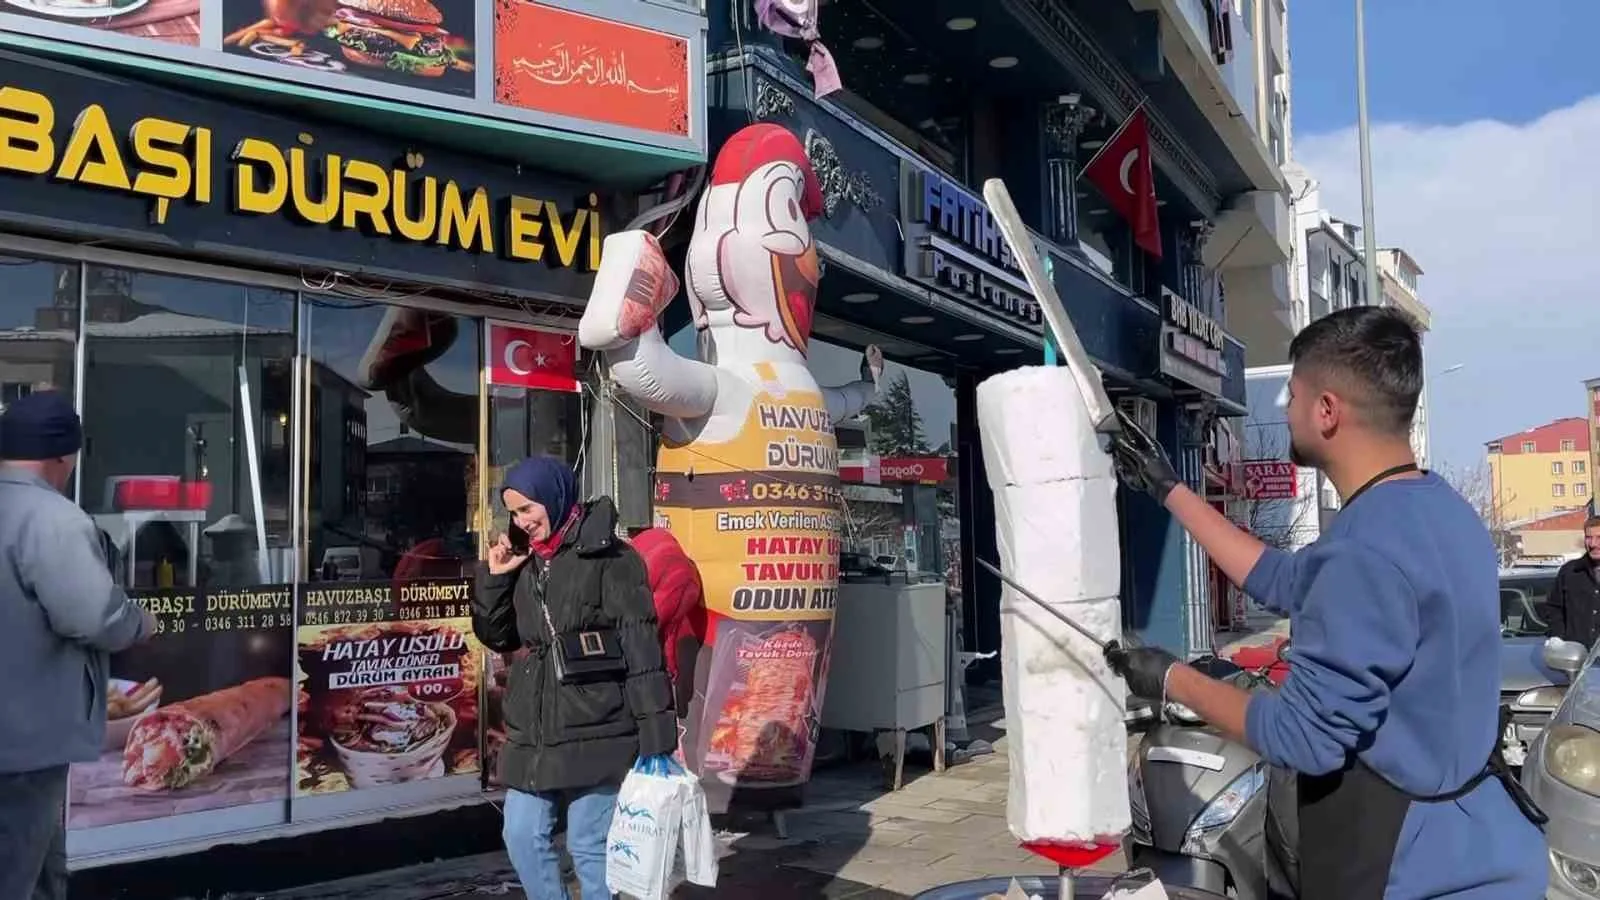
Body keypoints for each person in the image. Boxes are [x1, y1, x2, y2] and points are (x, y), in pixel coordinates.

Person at [1104, 307, 1547, 900]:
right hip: (1479, 841)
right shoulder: (1440, 509)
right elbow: (1285, 578)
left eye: (1293, 394)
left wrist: (1170, 680)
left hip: (1407, 868)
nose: (1286, 408)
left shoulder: (1364, 549)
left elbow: (1302, 737)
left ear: (1327, 410)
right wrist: (1169, 488)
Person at [472, 455, 677, 900]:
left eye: (527, 508)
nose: (521, 521)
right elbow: (498, 636)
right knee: (521, 835)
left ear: (554, 497)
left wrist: (657, 739)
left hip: (598, 722)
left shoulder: (612, 558)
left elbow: (641, 648)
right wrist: (496, 578)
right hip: (536, 728)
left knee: (589, 844)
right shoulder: (527, 560)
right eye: (513, 512)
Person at [0, 391, 156, 900]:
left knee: (43, 870)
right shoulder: (54, 519)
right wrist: (141, 621)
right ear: (63, 458)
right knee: (16, 872)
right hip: (23, 744)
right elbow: (94, 616)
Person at [1544, 516, 1600, 647]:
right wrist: (1557, 636)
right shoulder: (1570, 572)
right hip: (1574, 654)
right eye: (1588, 537)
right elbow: (1554, 608)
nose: (1593, 544)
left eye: (1599, 538)